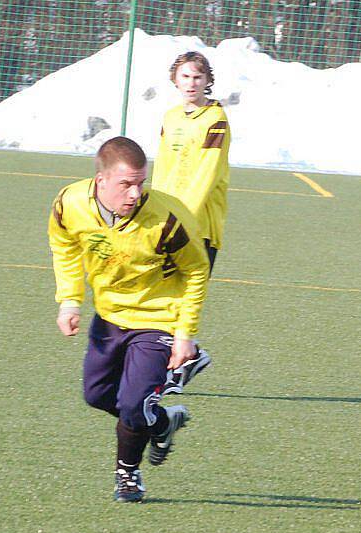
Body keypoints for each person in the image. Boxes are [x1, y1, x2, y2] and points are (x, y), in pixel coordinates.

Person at [48, 136, 210, 503]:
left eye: (141, 182)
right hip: (109, 317)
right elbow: (65, 245)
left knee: (135, 405)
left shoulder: (168, 218)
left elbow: (197, 270)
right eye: (126, 184)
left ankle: (128, 474)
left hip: (158, 319)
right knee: (97, 396)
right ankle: (163, 422)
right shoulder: (69, 203)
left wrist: (184, 333)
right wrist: (70, 301)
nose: (136, 193)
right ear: (100, 180)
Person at [151, 50, 231, 394]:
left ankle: (185, 357)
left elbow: (207, 174)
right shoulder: (170, 118)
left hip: (199, 224)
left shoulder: (216, 119)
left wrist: (184, 219)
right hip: (167, 220)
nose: (191, 83)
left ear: (207, 81)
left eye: (197, 77)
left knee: (187, 294)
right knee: (163, 295)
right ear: (175, 80)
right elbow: (163, 167)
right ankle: (186, 358)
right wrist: (152, 209)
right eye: (185, 77)